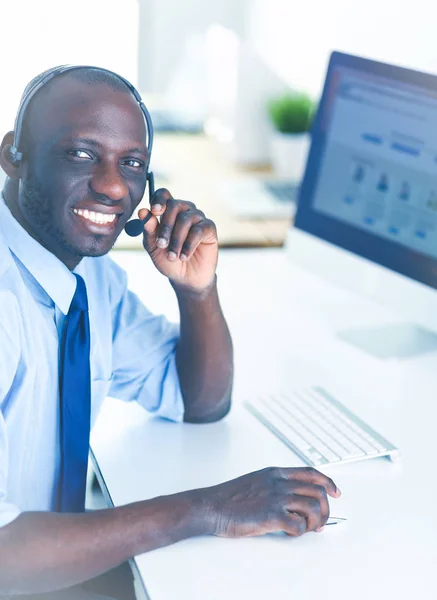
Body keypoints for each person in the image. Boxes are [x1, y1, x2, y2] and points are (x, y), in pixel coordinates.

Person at [0, 67, 341, 599]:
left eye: (131, 164)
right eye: (81, 154)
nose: (113, 186)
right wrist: (208, 509)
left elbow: (197, 399)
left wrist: (197, 291)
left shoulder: (91, 279)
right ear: (12, 156)